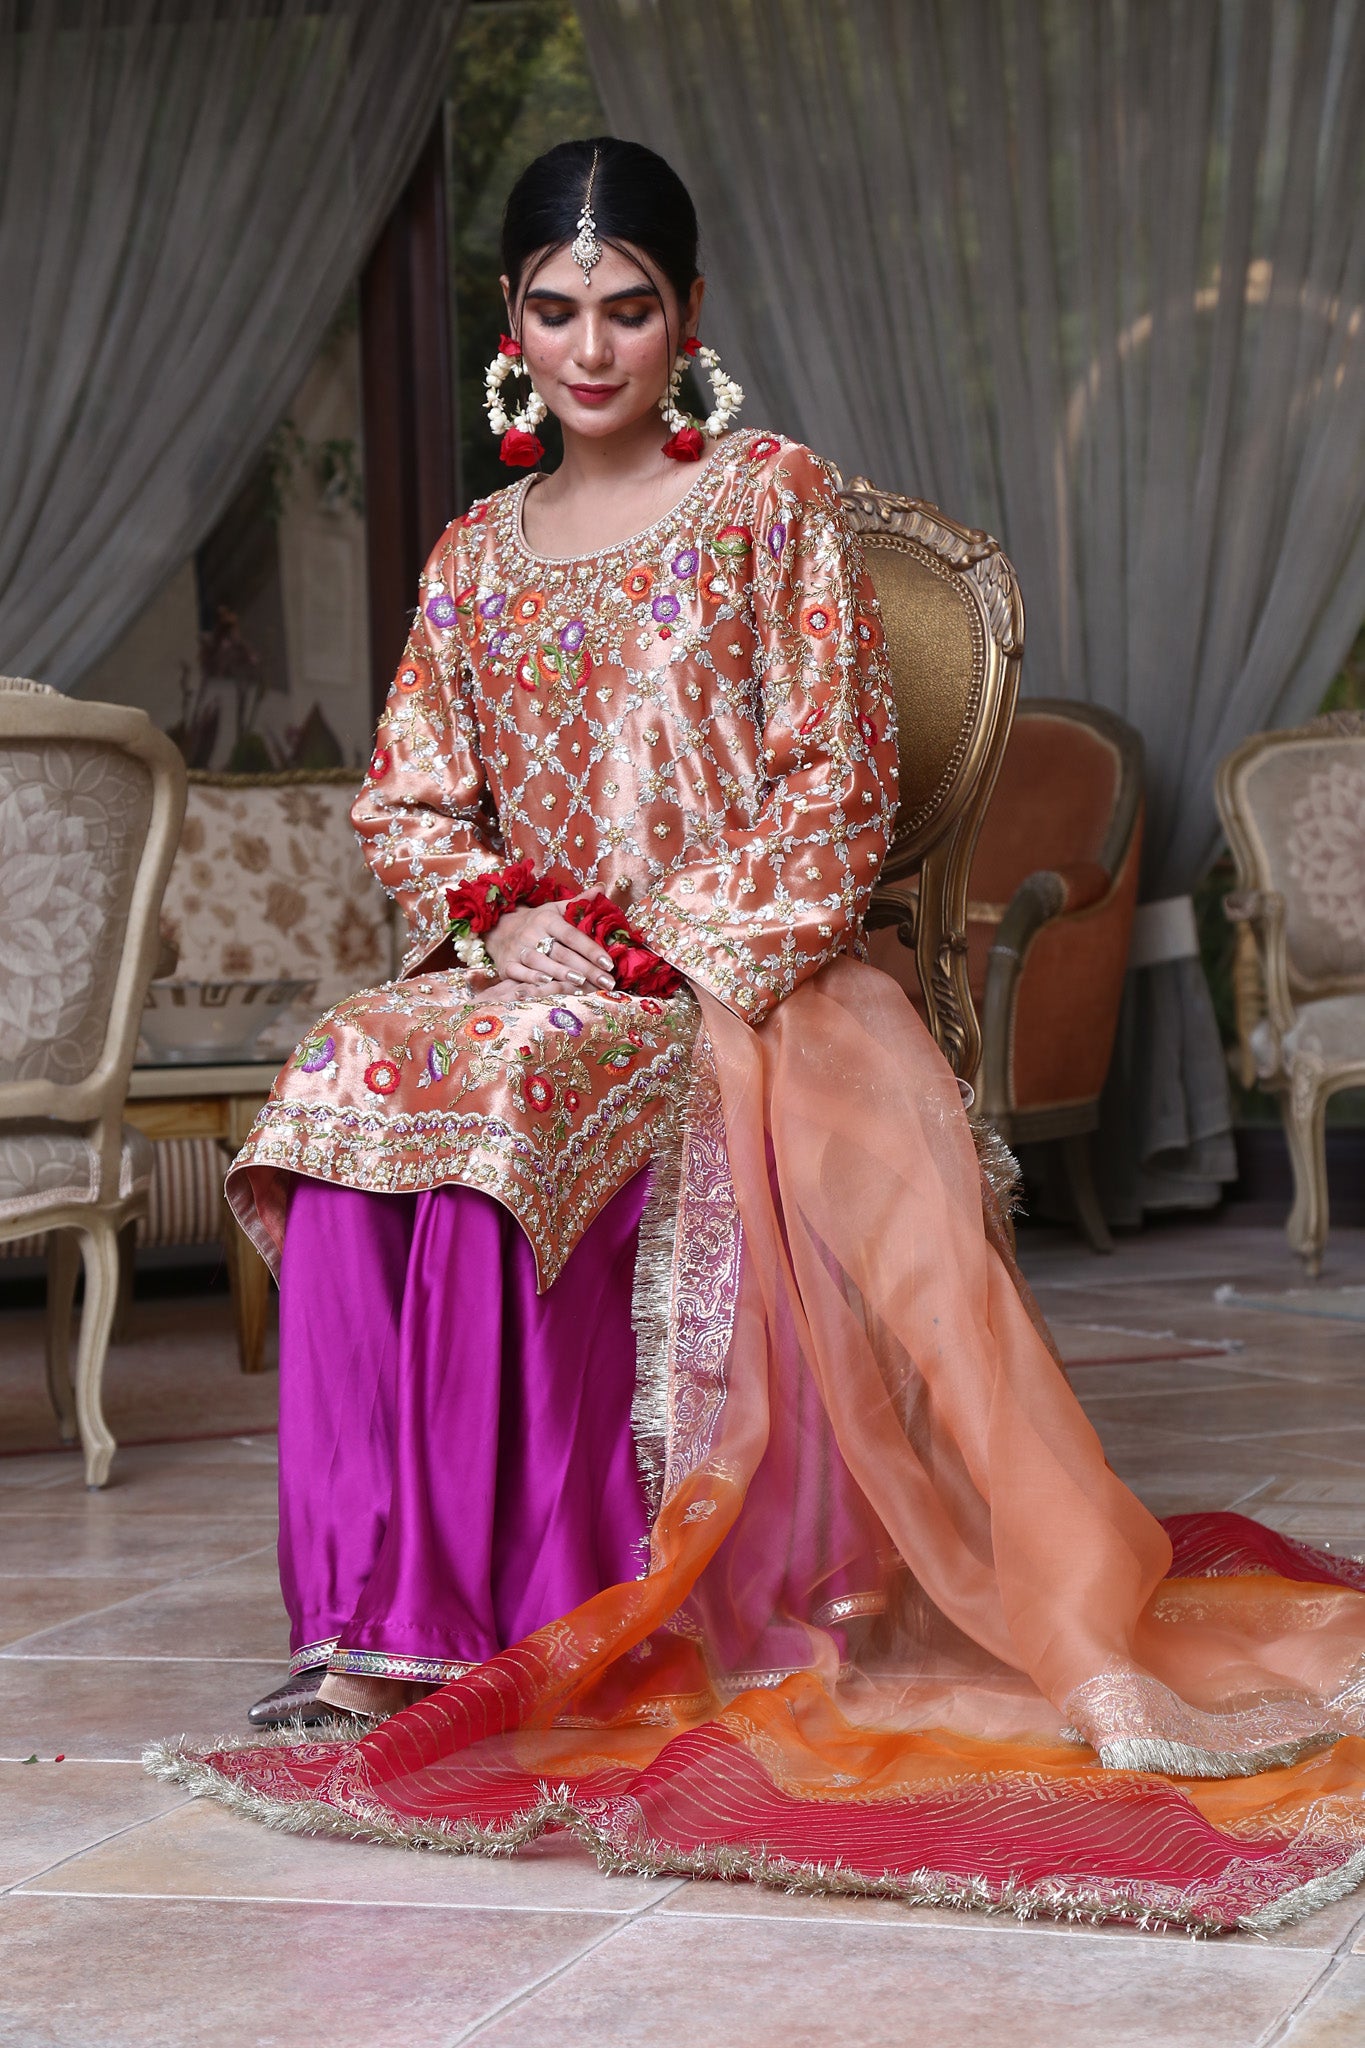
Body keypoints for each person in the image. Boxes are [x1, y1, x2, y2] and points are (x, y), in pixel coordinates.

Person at [153, 138, 1365, 1933]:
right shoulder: (472, 558)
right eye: (555, 309)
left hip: (746, 970)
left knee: (510, 1096)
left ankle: (539, 1605)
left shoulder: (763, 501)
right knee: (353, 1067)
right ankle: (378, 1620)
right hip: (542, 965)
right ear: (510, 325)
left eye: (627, 307)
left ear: (688, 316)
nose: (590, 347)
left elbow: (835, 785)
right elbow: (406, 802)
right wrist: (502, 915)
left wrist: (672, 948)